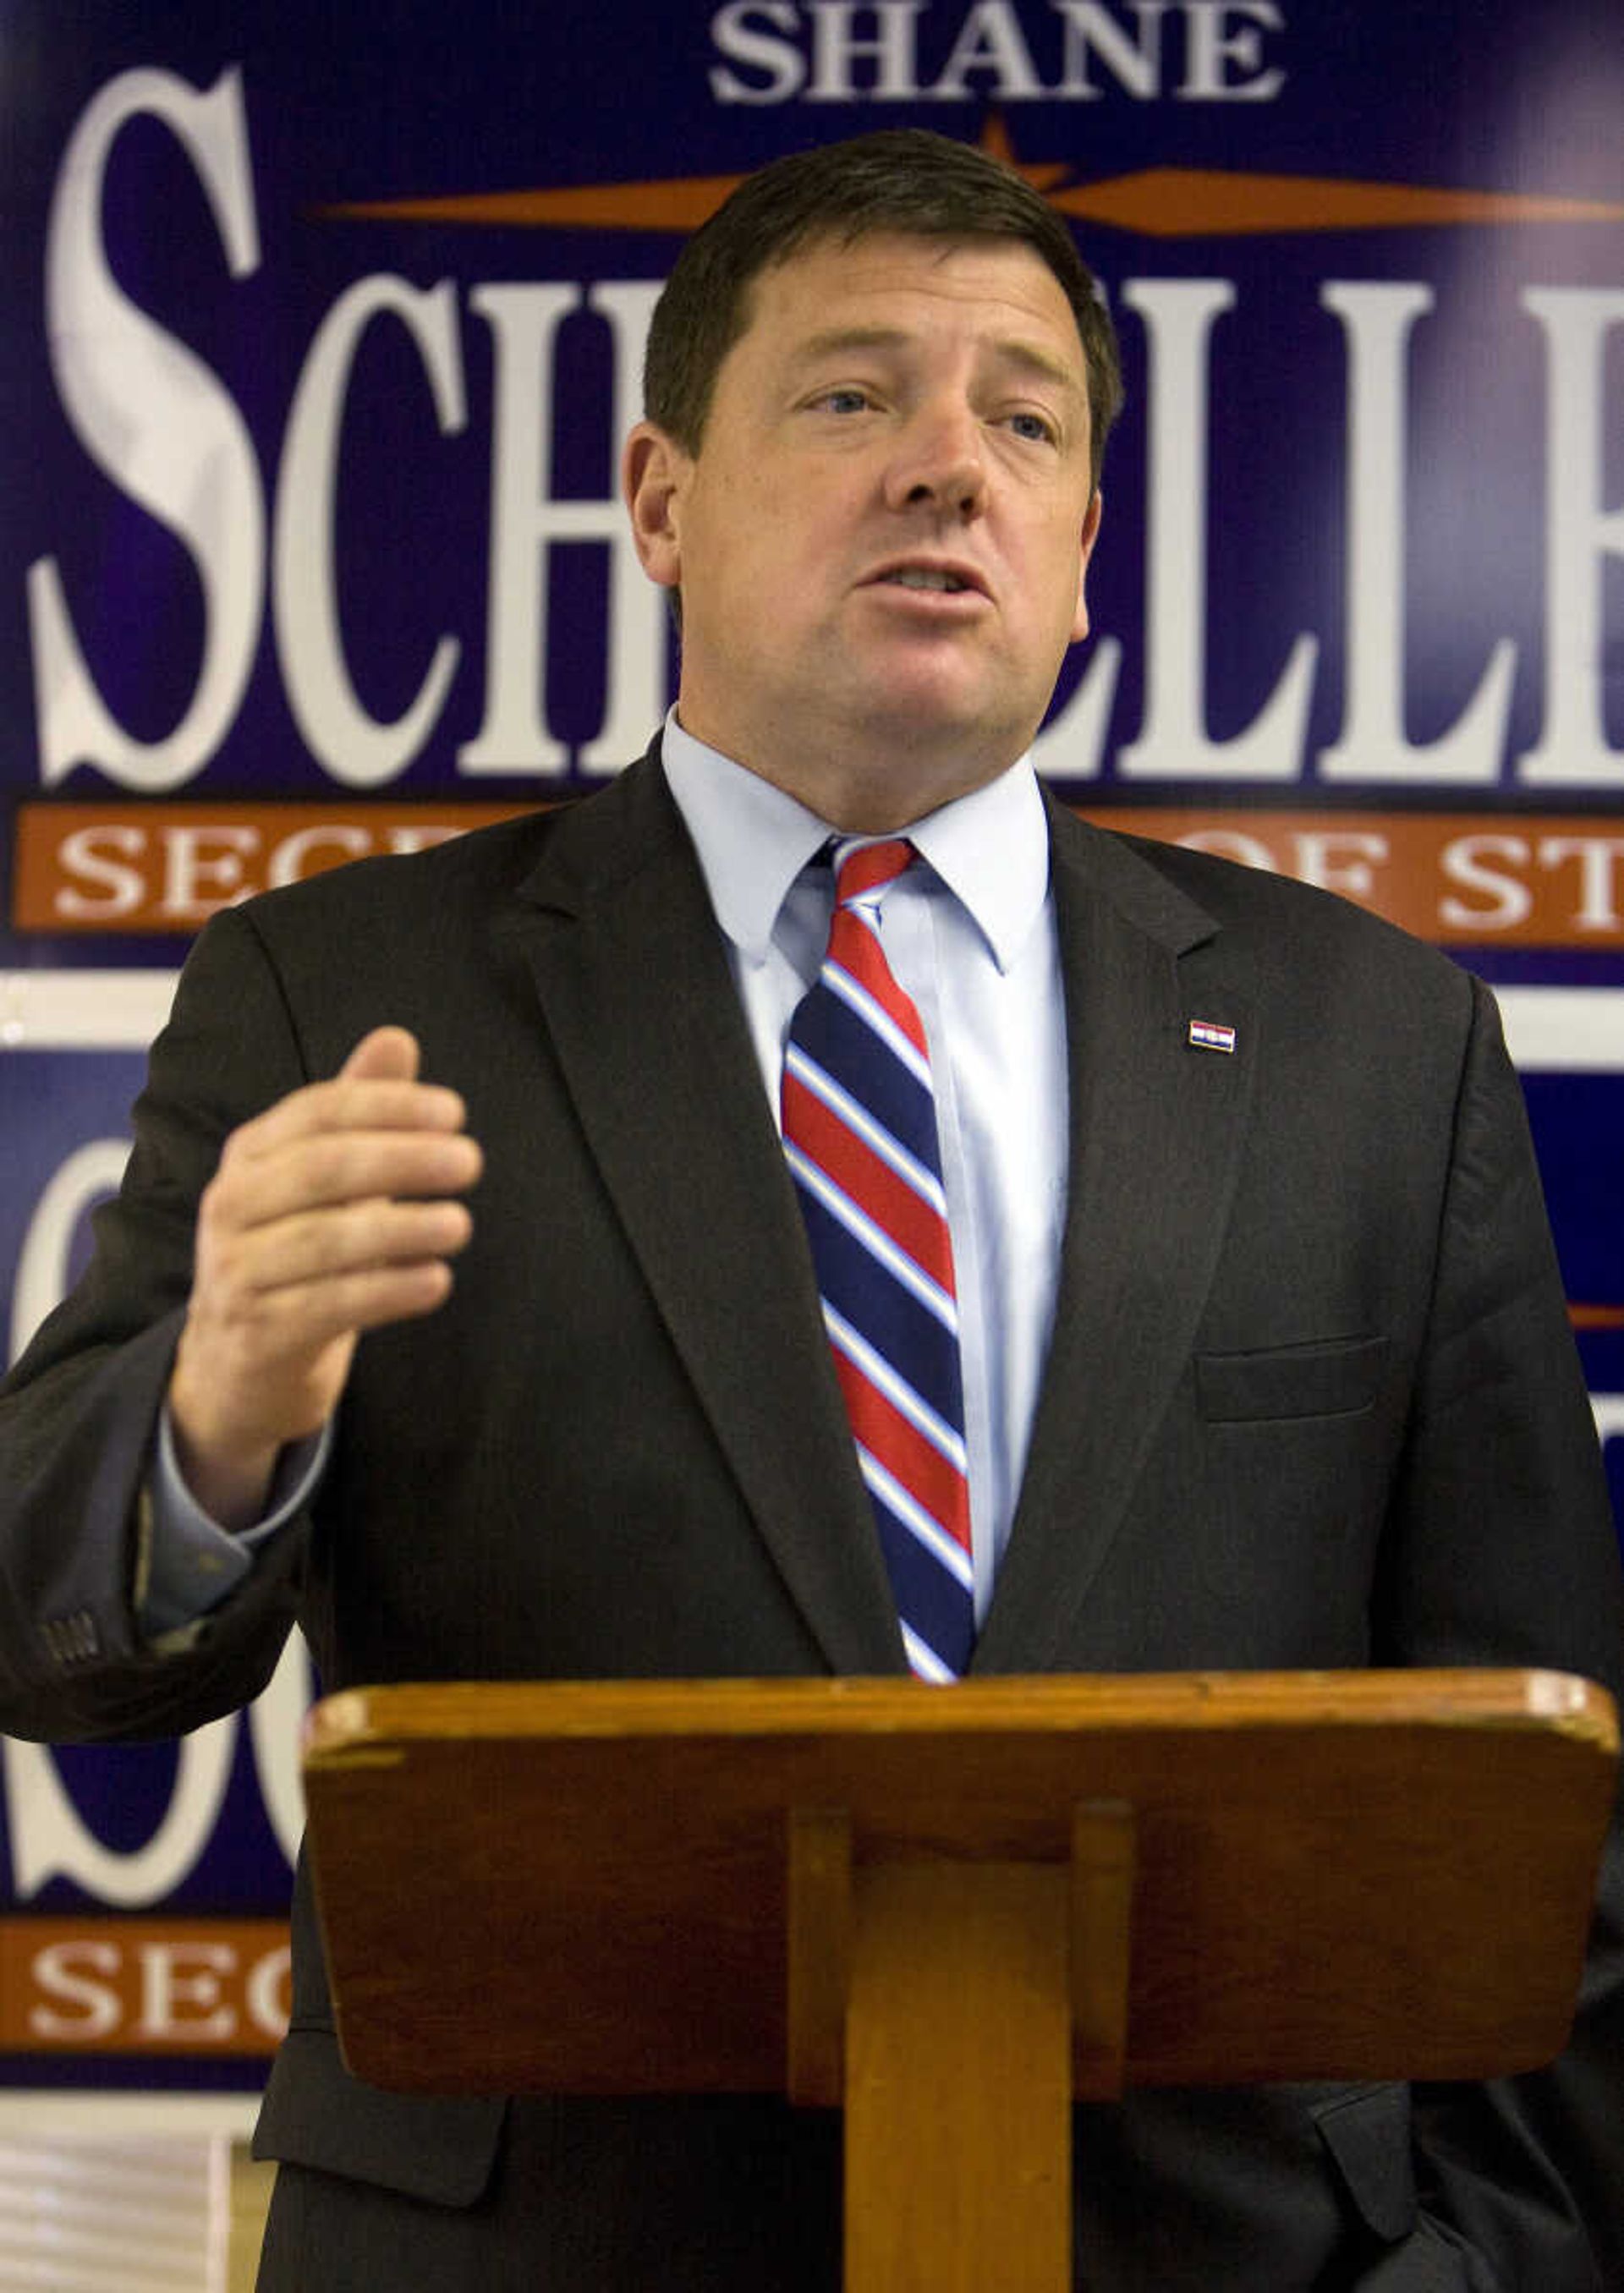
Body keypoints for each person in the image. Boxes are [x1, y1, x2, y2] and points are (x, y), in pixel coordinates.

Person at [1, 127, 1621, 2291]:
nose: (950, 465)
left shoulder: (1373, 1045)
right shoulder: (345, 994)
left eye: (1021, 420)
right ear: (663, 500)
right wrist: (213, 1432)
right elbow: (52, 1643)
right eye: (855, 395)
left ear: (1079, 541)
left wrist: (1482, 2272)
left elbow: (1550, 1817)